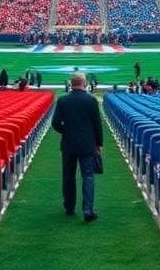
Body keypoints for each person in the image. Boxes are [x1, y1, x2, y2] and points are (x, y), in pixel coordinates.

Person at [51, 72, 103, 222]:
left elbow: (55, 123)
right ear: (84, 83)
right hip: (87, 144)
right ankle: (88, 210)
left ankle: (69, 207)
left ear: (71, 84)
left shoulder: (62, 101)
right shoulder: (91, 100)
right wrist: (99, 143)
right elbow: (96, 124)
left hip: (68, 143)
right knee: (88, 176)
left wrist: (66, 131)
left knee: (68, 176)